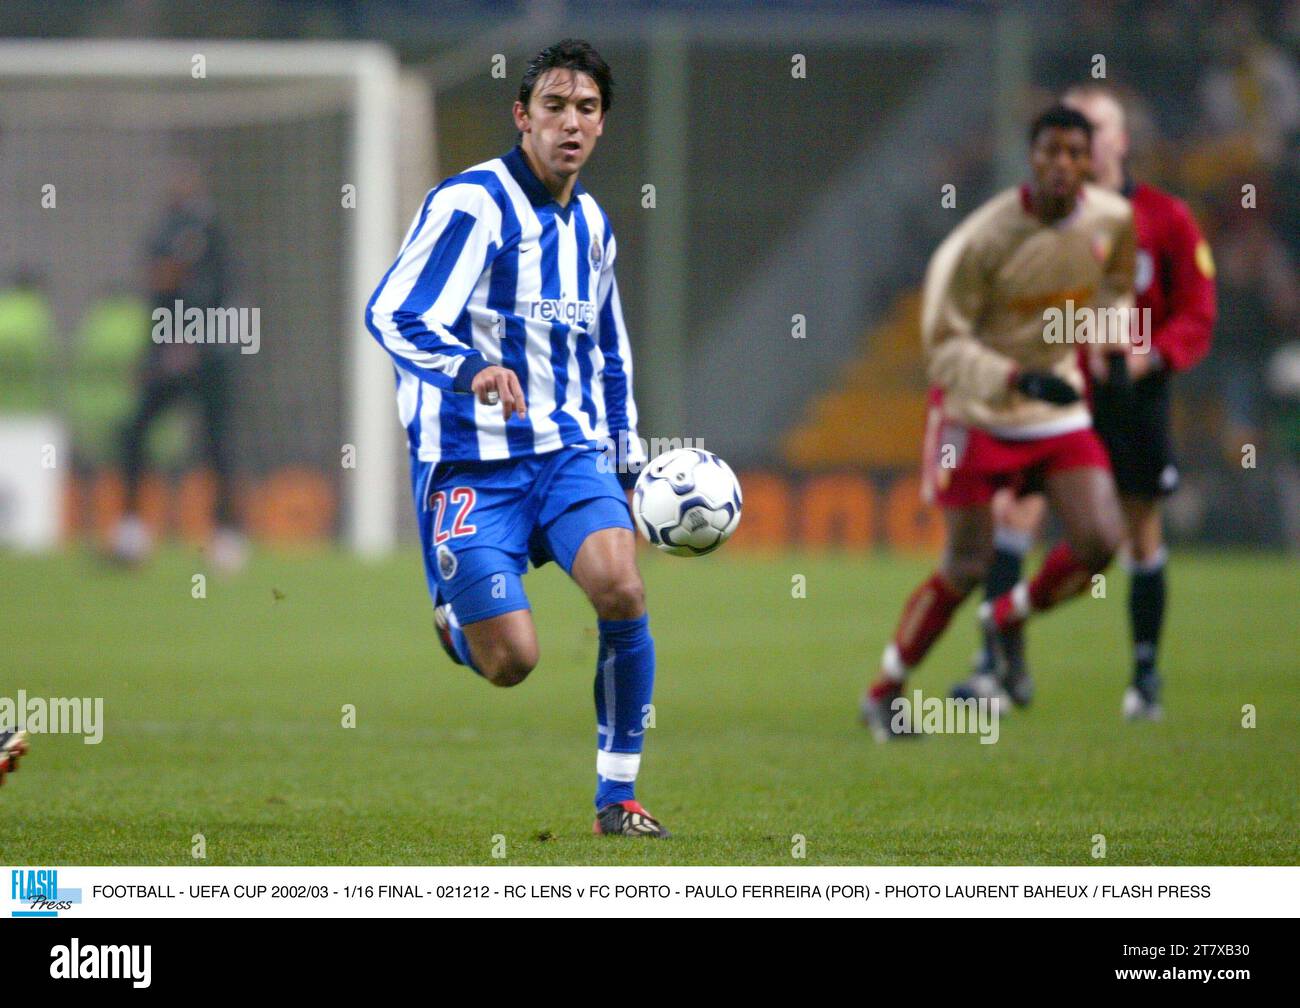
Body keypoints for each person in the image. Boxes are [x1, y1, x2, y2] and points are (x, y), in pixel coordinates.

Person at [366, 40, 667, 836]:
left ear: (604, 124)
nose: (571, 124)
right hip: (470, 462)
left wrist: (628, 459)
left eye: (587, 109)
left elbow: (608, 349)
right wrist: (471, 370)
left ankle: (618, 800)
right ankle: (457, 627)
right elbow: (392, 312)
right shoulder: (471, 205)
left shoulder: (593, 225)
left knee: (621, 585)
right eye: (555, 108)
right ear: (522, 116)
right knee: (511, 662)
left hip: (566, 453)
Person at [861, 106, 1135, 741]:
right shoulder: (981, 240)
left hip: (1053, 410)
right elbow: (943, 346)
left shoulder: (1113, 221)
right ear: (1030, 158)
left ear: (1091, 161)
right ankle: (887, 690)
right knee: (966, 564)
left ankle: (1009, 616)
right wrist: (1014, 378)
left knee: (1100, 540)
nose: (1062, 164)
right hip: (974, 412)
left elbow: (1115, 292)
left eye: (1074, 152)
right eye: (1049, 152)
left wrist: (1112, 347)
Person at [956, 85, 1217, 721]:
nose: (1083, 145)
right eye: (1071, 134)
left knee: (1138, 530)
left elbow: (1199, 313)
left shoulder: (1166, 218)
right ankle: (994, 664)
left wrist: (1148, 355)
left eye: (1096, 131)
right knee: (1011, 509)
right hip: (1060, 392)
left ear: (1121, 141)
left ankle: (1144, 679)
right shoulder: (1034, 222)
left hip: (1133, 398)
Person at [110, 160, 245, 572]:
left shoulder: (210, 232)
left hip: (209, 354)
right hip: (170, 351)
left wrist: (198, 340)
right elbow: (160, 295)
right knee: (133, 432)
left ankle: (226, 536)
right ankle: (132, 534)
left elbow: (218, 291)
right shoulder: (166, 230)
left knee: (215, 443)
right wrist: (153, 354)